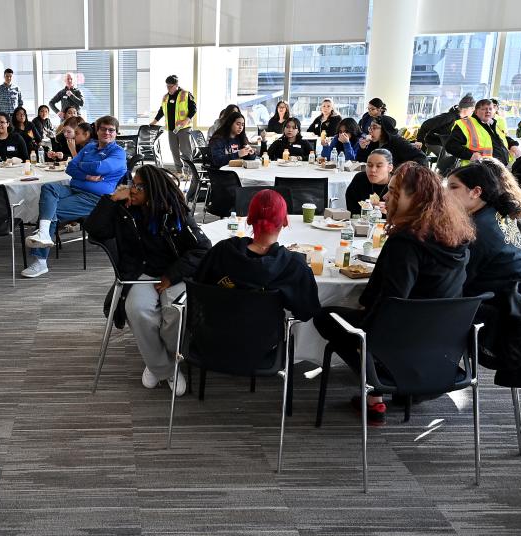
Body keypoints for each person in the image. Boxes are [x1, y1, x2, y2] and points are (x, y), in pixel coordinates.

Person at [313, 162, 474, 424]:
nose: (386, 197)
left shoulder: (407, 242)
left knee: (324, 316)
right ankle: (387, 380)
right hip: (440, 340)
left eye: (393, 191)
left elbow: (392, 302)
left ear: (413, 197)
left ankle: (377, 388)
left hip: (400, 339)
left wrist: (365, 312)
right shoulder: (456, 237)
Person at [83, 165, 211, 396]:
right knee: (137, 309)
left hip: (175, 273)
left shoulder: (175, 212)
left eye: (139, 186)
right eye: (132, 184)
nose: (133, 190)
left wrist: (172, 275)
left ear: (152, 190)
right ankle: (163, 368)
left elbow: (202, 249)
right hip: (139, 273)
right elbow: (93, 229)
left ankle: (160, 357)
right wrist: (112, 199)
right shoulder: (124, 210)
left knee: (175, 312)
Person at [23, 115, 127, 278]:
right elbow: (69, 168)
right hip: (75, 189)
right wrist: (86, 175)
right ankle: (43, 233)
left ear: (116, 133)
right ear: (97, 131)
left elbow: (100, 168)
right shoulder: (89, 148)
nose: (107, 132)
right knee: (49, 187)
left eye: (111, 130)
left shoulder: (118, 153)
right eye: (103, 129)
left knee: (50, 213)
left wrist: (81, 165)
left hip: (95, 198)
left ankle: (40, 262)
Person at [196, 189, 320, 322]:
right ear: (284, 221)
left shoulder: (221, 251)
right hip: (264, 339)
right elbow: (306, 312)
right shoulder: (294, 265)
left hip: (211, 335)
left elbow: (198, 287)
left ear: (249, 219)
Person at [448, 160, 521, 297]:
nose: (444, 193)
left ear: (476, 192)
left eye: (453, 187)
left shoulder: (474, 228)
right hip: (517, 296)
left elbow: (457, 280)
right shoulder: (496, 212)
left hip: (492, 305)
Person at [445, 98, 521, 167]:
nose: (488, 111)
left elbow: (502, 137)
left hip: (501, 167)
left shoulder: (492, 123)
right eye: (484, 109)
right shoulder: (466, 123)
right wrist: (471, 155)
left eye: (490, 109)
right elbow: (451, 145)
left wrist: (513, 145)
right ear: (476, 111)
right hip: (478, 168)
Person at [150, 75, 197, 169]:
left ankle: (189, 171)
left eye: (170, 86)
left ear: (176, 85)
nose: (168, 88)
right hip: (171, 129)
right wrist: (155, 121)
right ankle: (179, 171)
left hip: (184, 128)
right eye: (167, 86)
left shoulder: (185, 94)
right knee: (174, 150)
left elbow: (193, 109)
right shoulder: (165, 97)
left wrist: (186, 120)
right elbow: (162, 110)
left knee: (185, 151)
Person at [356, 115, 427, 166]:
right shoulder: (374, 142)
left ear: (385, 130)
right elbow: (362, 163)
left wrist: (401, 169)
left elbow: (422, 158)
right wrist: (362, 148)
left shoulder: (398, 142)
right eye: (370, 128)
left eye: (374, 128)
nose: (370, 131)